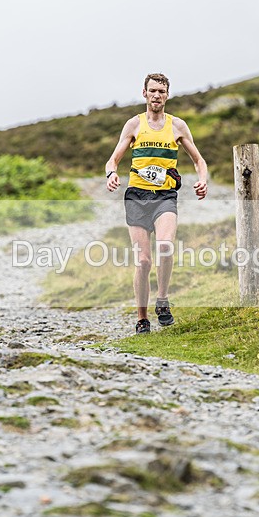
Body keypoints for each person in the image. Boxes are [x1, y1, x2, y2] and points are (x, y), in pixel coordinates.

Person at [105, 73, 208, 334]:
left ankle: (162, 300)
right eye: (152, 91)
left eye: (161, 91)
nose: (156, 96)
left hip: (164, 197)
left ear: (167, 95)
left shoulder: (177, 126)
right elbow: (113, 159)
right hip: (137, 197)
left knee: (165, 246)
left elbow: (198, 160)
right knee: (143, 261)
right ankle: (142, 318)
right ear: (144, 93)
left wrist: (202, 180)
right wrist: (112, 174)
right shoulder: (134, 125)